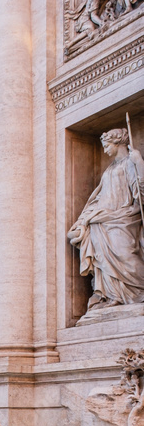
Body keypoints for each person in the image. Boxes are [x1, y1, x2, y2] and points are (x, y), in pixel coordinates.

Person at [68, 127, 144, 309]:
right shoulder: (110, 169)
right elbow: (98, 198)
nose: (104, 150)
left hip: (124, 218)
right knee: (102, 257)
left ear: (118, 144)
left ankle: (138, 291)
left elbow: (140, 193)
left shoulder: (130, 163)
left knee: (125, 254)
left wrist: (140, 162)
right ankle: (113, 295)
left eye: (107, 145)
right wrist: (84, 220)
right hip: (102, 220)